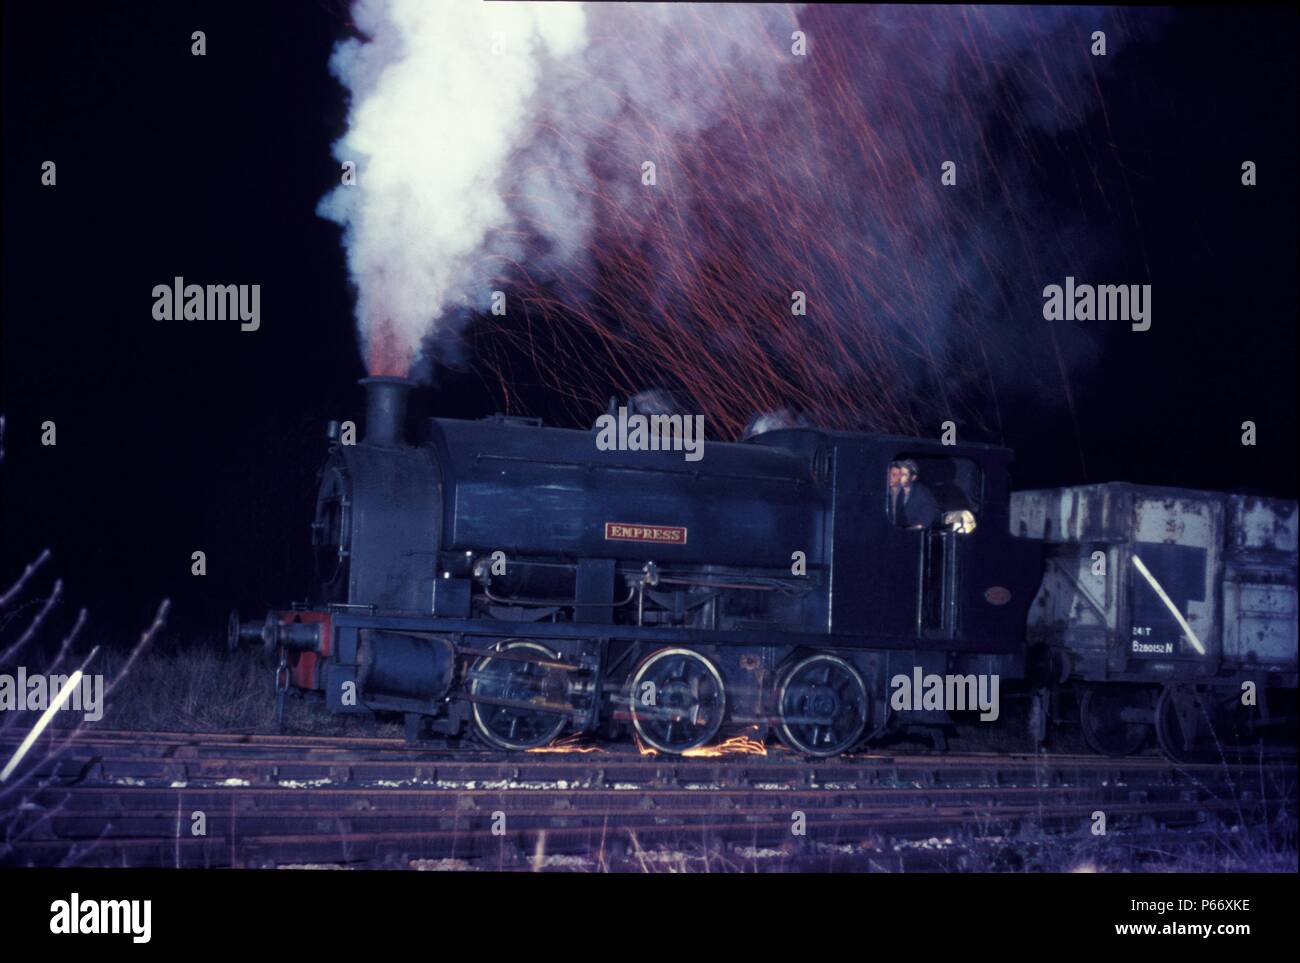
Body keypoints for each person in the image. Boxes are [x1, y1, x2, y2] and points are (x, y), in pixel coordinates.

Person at [891, 459, 939, 529]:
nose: (900, 477)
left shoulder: (922, 493)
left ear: (913, 478)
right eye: (900, 473)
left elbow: (927, 520)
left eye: (904, 475)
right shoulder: (897, 490)